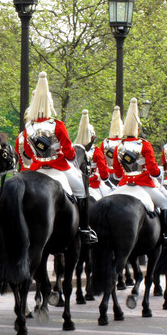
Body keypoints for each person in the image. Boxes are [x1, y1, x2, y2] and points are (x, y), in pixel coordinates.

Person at [22, 72, 98, 244]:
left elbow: (27, 152)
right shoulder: (57, 125)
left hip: (36, 168)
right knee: (81, 190)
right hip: (58, 167)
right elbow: (70, 153)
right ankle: (84, 229)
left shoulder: (29, 128)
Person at [112, 98, 167, 248]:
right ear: (138, 129)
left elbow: (117, 173)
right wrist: (159, 171)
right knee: (165, 203)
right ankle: (165, 236)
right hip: (144, 184)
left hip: (124, 185)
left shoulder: (119, 146)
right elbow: (153, 170)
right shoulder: (144, 145)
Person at [73, 109, 110, 200]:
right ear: (92, 137)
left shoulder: (73, 149)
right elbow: (103, 173)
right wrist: (106, 179)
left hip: (76, 183)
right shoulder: (96, 151)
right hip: (93, 184)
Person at [99, 106, 124, 188]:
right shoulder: (123, 143)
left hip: (108, 174)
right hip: (121, 175)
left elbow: (101, 160)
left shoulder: (105, 142)